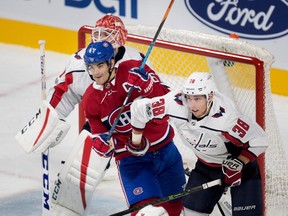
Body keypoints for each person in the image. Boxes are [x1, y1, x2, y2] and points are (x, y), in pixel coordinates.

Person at [15, 14, 155, 216]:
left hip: (136, 127)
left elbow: (156, 93)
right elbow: (64, 92)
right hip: (100, 124)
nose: (100, 39)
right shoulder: (81, 62)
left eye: (107, 35)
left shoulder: (136, 60)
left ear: (120, 38)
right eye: (98, 34)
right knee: (77, 175)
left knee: (148, 183)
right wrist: (49, 120)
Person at [129, 71, 268, 216]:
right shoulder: (174, 103)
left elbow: (260, 140)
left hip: (241, 170)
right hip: (206, 166)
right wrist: (136, 143)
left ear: (210, 97)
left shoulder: (227, 117)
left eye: (197, 99)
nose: (192, 105)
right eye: (189, 98)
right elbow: (139, 109)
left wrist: (239, 163)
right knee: (191, 213)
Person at [81, 40, 186, 216]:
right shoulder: (90, 100)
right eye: (91, 67)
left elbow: (171, 102)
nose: (96, 72)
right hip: (132, 161)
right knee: (145, 213)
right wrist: (100, 145)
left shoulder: (134, 69)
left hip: (166, 151)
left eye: (100, 65)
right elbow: (101, 135)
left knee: (176, 210)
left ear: (111, 62)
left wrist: (149, 87)